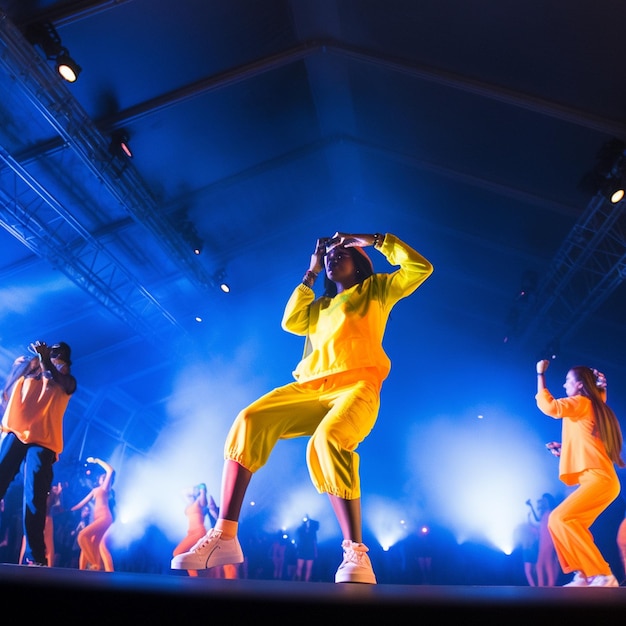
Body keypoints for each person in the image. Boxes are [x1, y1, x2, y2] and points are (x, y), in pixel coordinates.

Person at [171, 231, 434, 584]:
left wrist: (369, 239)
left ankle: (356, 552)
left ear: (359, 265)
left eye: (342, 253)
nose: (332, 256)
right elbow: (290, 321)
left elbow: (419, 267)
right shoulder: (318, 308)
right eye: (328, 254)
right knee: (250, 419)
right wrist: (310, 272)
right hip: (310, 389)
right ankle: (226, 535)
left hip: (357, 387)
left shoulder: (377, 291)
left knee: (326, 441)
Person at [535, 359, 624, 587]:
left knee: (559, 518)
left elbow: (550, 407)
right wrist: (566, 450)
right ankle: (584, 574)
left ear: (580, 385)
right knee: (566, 523)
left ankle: (602, 573)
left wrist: (540, 375)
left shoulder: (581, 403)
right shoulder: (591, 406)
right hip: (600, 481)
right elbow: (587, 443)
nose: (565, 386)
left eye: (567, 381)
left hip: (599, 480)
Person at [0, 341, 76, 566]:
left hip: (43, 441)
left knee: (34, 496)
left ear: (66, 357)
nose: (54, 351)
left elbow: (58, 380)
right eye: (51, 349)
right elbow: (10, 393)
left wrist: (45, 360)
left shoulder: (65, 378)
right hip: (16, 431)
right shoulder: (32, 369)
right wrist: (23, 366)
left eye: (58, 350)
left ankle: (35, 557)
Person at [70, 457, 115, 571]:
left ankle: (95, 565)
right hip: (98, 519)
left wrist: (97, 461)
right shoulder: (95, 490)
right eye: (102, 476)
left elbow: (110, 470)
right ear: (98, 478)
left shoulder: (105, 489)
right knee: (91, 544)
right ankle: (82, 571)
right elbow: (82, 503)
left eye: (106, 478)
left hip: (104, 518)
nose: (104, 478)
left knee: (82, 536)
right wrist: (69, 509)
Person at [173, 483, 210, 577]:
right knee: (182, 554)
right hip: (190, 533)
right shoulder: (190, 504)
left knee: (178, 553)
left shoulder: (199, 502)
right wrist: (194, 489)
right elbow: (183, 493)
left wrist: (202, 489)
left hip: (199, 532)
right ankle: (194, 577)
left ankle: (194, 577)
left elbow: (204, 502)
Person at [526, 493, 560, 586]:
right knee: (541, 565)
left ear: (548, 501)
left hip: (548, 542)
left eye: (545, 500)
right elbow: (537, 520)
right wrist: (531, 506)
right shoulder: (545, 513)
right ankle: (544, 586)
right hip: (543, 542)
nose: (543, 502)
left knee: (546, 563)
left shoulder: (551, 513)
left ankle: (549, 586)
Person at [294, 516, 319, 582]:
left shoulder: (312, 531)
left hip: (310, 550)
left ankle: (306, 581)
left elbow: (314, 542)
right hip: (302, 549)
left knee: (309, 568)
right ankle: (298, 581)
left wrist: (315, 552)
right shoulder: (300, 530)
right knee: (299, 567)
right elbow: (297, 539)